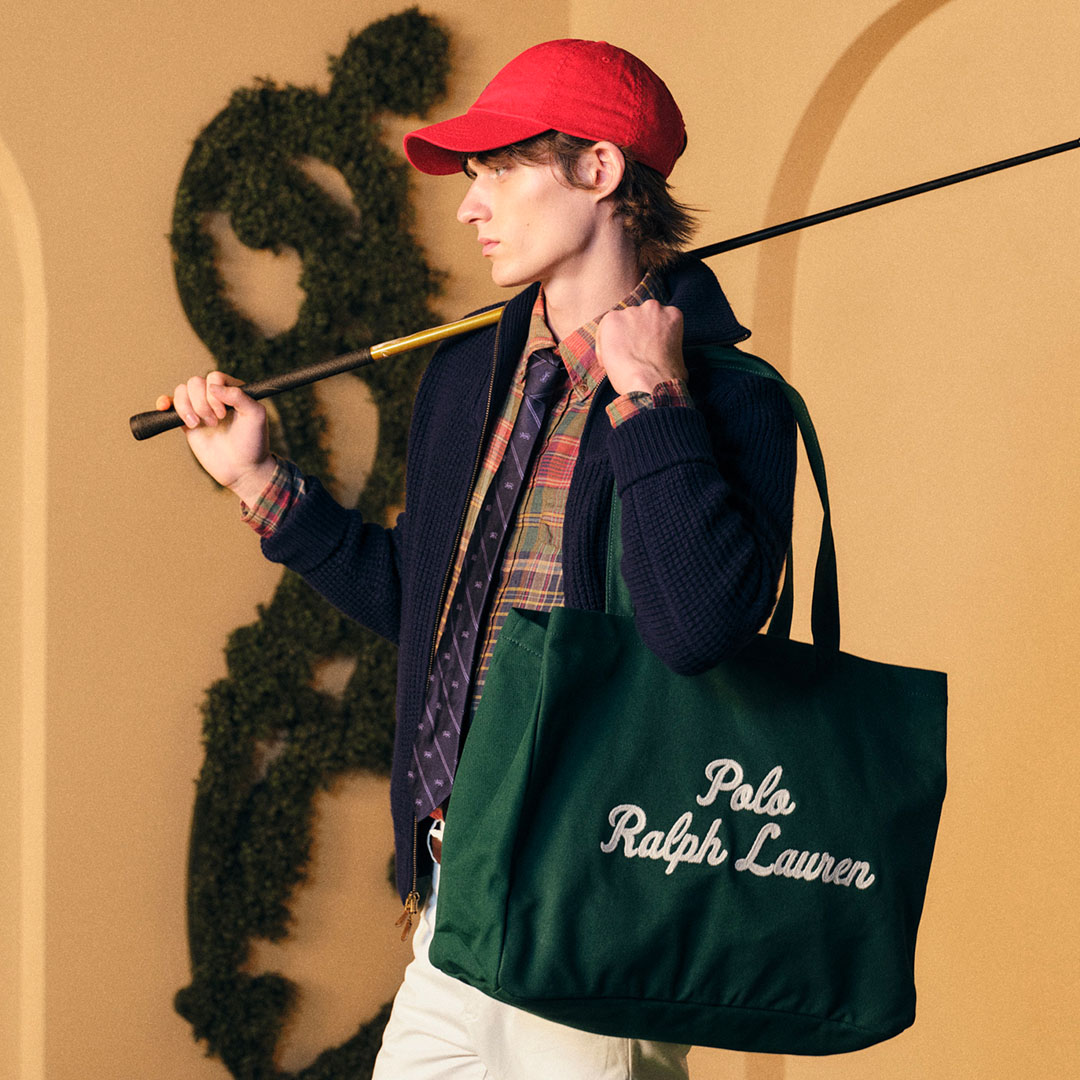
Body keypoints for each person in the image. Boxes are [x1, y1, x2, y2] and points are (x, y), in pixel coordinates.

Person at [160, 38, 796, 1080]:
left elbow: (703, 631)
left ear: (599, 169)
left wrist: (654, 405)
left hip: (603, 887)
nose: (470, 205)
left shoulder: (729, 399)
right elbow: (429, 610)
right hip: (458, 889)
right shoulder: (469, 376)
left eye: (501, 168)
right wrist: (260, 484)